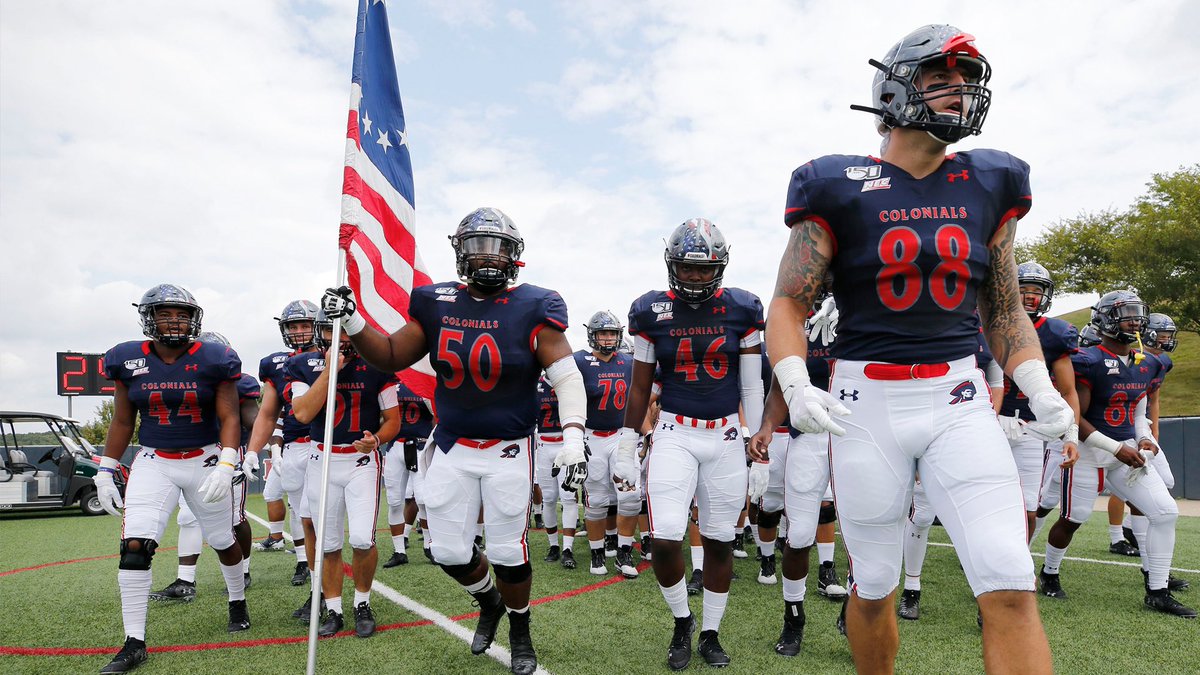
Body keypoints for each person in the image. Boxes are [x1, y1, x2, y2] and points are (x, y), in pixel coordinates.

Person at [768, 25, 1075, 674]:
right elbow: (790, 303)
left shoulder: (989, 182)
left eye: (966, 81)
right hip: (864, 403)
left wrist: (1039, 384)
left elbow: (1002, 305)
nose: (959, 93)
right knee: (874, 584)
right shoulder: (836, 183)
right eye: (941, 79)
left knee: (1009, 576)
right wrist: (795, 382)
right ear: (894, 86)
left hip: (958, 397)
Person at [321, 207, 590, 675]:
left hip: (508, 447)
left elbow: (567, 378)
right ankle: (488, 603)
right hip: (451, 445)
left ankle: (521, 630)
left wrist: (572, 437)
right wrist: (354, 322)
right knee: (447, 551)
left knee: (507, 550)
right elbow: (388, 356)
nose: (488, 257)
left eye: (499, 247)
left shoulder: (535, 304)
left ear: (515, 256)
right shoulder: (436, 300)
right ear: (460, 253)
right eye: (477, 246)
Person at [615, 218, 765, 670]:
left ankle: (711, 633)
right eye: (687, 267)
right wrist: (626, 439)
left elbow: (752, 387)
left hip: (725, 434)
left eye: (704, 269)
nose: (695, 276)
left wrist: (760, 447)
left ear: (720, 266)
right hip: (675, 433)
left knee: (720, 542)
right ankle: (682, 620)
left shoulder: (743, 308)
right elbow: (640, 387)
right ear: (671, 265)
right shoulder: (650, 311)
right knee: (663, 539)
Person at [93, 284, 250, 674]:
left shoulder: (215, 358)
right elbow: (123, 419)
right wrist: (105, 469)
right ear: (150, 317)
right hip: (154, 460)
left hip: (205, 458)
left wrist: (228, 460)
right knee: (134, 545)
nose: (175, 321)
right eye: (166, 313)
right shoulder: (127, 359)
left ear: (194, 319)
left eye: (181, 314)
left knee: (222, 540)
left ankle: (236, 599)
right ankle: (134, 640)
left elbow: (230, 416)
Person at [1038, 291, 1193, 617]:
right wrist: (1116, 448)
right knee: (1073, 517)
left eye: (1137, 315)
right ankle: (1049, 573)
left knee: (1165, 512)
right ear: (1106, 319)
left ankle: (1157, 590)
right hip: (1086, 449)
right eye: (1126, 315)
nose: (1134, 321)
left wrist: (1146, 438)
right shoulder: (1087, 360)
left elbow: (1138, 411)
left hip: (1125, 449)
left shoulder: (1148, 362)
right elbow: (1074, 415)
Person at [287, 310, 400, 637]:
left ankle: (362, 602)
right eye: (336, 331)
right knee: (329, 543)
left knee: (363, 538)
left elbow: (392, 419)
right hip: (322, 460)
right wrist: (329, 371)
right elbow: (304, 411)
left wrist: (376, 439)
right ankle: (334, 608)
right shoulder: (303, 366)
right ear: (321, 332)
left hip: (359, 461)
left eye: (350, 331)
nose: (345, 339)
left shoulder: (377, 367)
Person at [150, 331, 261, 602]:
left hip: (228, 453)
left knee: (234, 518)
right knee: (187, 517)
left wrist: (257, 449)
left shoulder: (241, 384)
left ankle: (243, 571)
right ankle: (185, 580)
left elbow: (254, 420)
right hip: (195, 454)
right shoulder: (180, 379)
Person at [994, 263, 1081, 537]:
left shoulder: (1055, 333)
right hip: (988, 422)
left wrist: (1071, 436)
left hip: (1030, 428)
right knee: (987, 498)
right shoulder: (989, 325)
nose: (1031, 296)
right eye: (1023, 289)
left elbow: (1068, 391)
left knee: (1029, 508)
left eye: (1037, 290)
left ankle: (1019, 566)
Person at [246, 300, 320, 591]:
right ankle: (304, 561)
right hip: (295, 446)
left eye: (305, 325)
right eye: (293, 326)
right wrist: (254, 450)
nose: (299, 331)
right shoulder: (277, 363)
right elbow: (268, 412)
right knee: (299, 509)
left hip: (328, 444)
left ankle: (326, 586)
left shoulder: (336, 356)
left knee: (321, 517)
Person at [576, 310, 638, 578]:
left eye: (612, 333)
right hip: (592, 437)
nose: (608, 338)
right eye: (603, 333)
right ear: (593, 335)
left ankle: (624, 552)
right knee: (597, 500)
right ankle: (597, 553)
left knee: (631, 496)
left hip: (622, 436)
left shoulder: (628, 362)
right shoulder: (579, 360)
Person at [382, 381, 434, 568]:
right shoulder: (390, 384)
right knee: (394, 500)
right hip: (395, 446)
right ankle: (399, 551)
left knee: (423, 500)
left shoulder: (425, 380)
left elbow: (438, 417)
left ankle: (430, 546)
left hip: (420, 446)